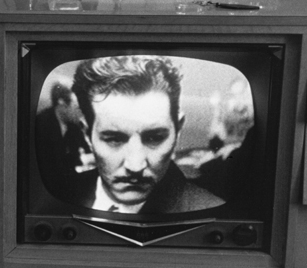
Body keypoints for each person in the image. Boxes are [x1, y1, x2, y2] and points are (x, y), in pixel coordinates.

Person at [52, 55, 224, 214]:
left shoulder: (209, 209)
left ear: (178, 129)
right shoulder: (60, 196)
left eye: (154, 138)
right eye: (114, 139)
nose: (135, 166)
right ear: (87, 134)